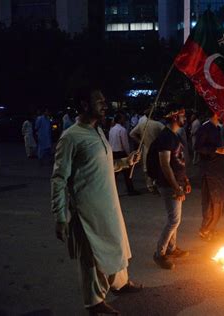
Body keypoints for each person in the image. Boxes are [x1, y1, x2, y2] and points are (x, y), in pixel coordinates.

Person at [51, 87, 143, 316]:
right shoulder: (71, 137)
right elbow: (59, 178)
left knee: (118, 246)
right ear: (84, 105)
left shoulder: (99, 132)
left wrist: (125, 162)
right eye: (99, 100)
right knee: (92, 258)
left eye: (104, 99)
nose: (105, 104)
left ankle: (120, 284)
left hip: (109, 206)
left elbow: (102, 166)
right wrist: (60, 216)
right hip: (87, 212)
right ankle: (94, 303)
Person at [150, 103, 191, 270]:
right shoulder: (166, 137)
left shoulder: (175, 135)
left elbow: (178, 162)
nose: (185, 118)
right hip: (169, 185)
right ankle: (160, 254)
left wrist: (185, 180)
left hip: (177, 182)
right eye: (182, 115)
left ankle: (172, 248)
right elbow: (165, 165)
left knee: (175, 219)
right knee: (174, 220)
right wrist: (175, 186)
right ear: (174, 117)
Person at [195, 113, 224, 241]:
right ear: (215, 112)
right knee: (212, 202)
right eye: (221, 111)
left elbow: (218, 148)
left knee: (219, 201)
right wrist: (216, 150)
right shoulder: (205, 127)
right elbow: (198, 147)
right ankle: (205, 230)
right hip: (209, 171)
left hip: (218, 170)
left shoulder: (218, 128)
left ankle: (210, 229)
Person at [129, 109, 164, 193]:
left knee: (146, 167)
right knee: (157, 166)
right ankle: (156, 184)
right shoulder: (158, 124)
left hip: (146, 148)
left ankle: (149, 186)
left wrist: (141, 142)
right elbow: (167, 133)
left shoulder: (142, 124)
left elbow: (131, 134)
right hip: (156, 149)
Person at [109, 112, 140, 196]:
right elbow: (125, 143)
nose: (124, 120)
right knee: (127, 174)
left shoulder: (112, 129)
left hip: (113, 152)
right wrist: (129, 154)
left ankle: (111, 190)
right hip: (121, 153)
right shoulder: (122, 130)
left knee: (114, 174)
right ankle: (130, 190)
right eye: (123, 118)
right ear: (120, 120)